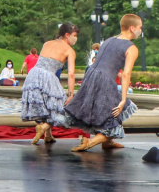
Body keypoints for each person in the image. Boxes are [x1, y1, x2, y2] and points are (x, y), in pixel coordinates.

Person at [64, 15, 141, 152]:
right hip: (105, 80)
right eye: (140, 28)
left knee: (104, 112)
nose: (140, 30)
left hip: (91, 76)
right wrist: (123, 99)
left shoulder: (109, 40)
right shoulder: (131, 48)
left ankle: (107, 142)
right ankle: (89, 143)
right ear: (132, 28)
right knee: (119, 110)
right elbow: (126, 74)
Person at [21, 23, 78, 145]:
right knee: (61, 107)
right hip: (48, 77)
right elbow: (71, 74)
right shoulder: (70, 51)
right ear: (67, 35)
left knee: (45, 105)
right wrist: (71, 94)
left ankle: (48, 135)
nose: (76, 38)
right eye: (74, 35)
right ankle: (44, 127)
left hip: (33, 75)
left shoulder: (46, 43)